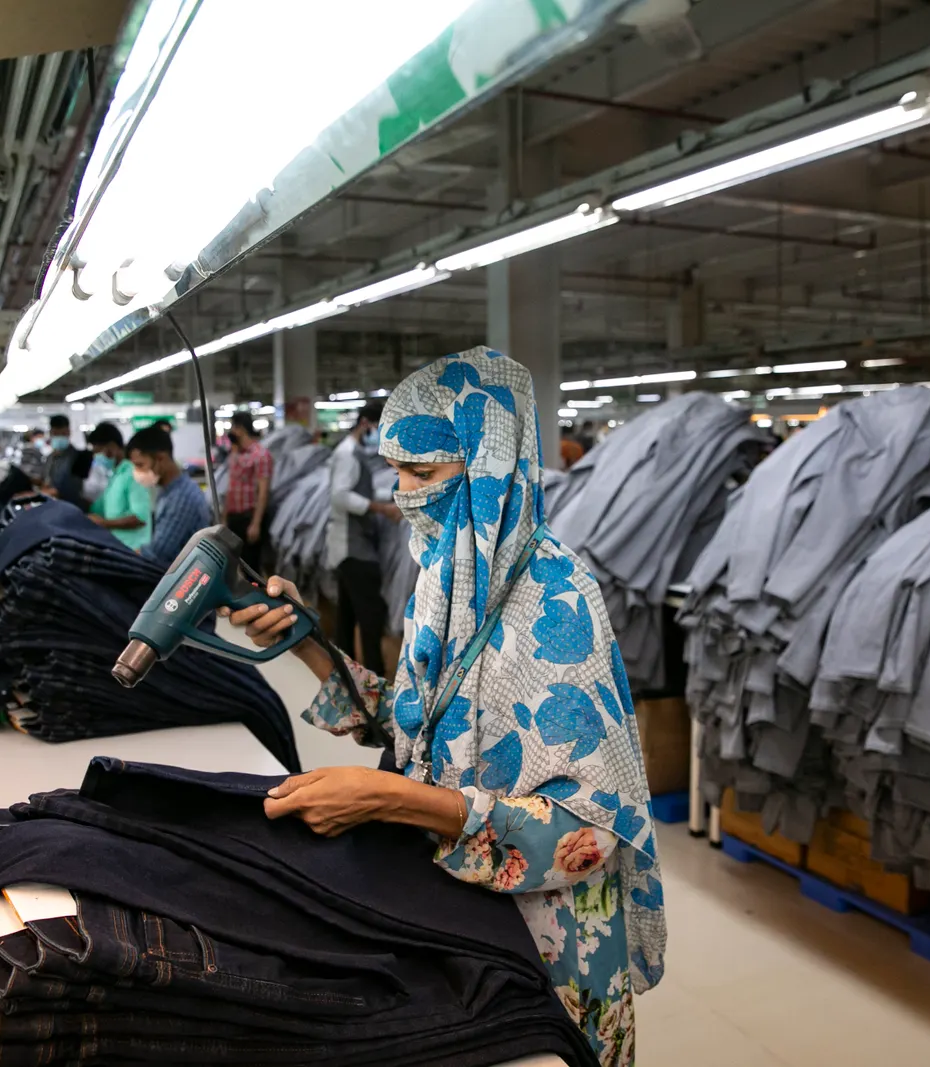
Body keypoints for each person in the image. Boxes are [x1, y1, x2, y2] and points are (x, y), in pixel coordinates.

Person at [227, 346, 664, 1067]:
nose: (400, 493)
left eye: (422, 474)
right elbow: (413, 716)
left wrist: (390, 798)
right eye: (394, 470)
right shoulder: (448, 574)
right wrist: (307, 641)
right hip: (465, 910)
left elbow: (587, 832)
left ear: (487, 468)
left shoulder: (554, 603)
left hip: (552, 945)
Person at [326, 400, 402, 677]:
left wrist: (392, 498)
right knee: (372, 615)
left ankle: (343, 674)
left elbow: (360, 492)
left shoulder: (354, 453)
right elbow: (341, 496)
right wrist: (381, 509)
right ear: (366, 424)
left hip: (348, 544)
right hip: (352, 546)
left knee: (347, 615)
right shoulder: (348, 455)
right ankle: (375, 676)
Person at [128, 426, 212, 569]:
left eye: (140, 465)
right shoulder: (168, 491)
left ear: (161, 458)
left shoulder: (181, 498)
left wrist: (122, 555)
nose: (137, 472)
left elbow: (158, 553)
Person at [85, 423, 152, 551]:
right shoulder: (115, 475)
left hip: (136, 551)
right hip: (120, 548)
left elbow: (140, 518)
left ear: (112, 447)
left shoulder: (133, 473)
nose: (97, 459)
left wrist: (104, 523)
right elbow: (100, 508)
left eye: (99, 453)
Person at [223, 418, 272, 572]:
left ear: (241, 429)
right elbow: (230, 487)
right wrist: (224, 518)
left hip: (249, 517)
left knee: (251, 567)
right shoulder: (234, 453)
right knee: (234, 564)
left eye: (233, 428)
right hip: (234, 517)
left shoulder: (261, 455)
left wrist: (256, 523)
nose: (231, 432)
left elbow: (263, 491)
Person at [43, 415, 89, 507]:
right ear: (51, 433)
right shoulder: (50, 458)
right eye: (56, 434)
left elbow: (75, 488)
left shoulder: (80, 457)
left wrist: (53, 492)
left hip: (72, 507)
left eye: (63, 434)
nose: (59, 437)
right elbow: (46, 481)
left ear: (69, 432)